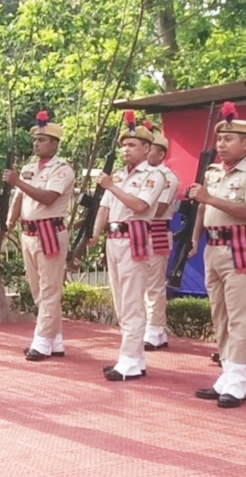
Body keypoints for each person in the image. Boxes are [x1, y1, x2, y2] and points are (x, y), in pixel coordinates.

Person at [188, 101, 246, 408]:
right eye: (219, 139)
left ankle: (238, 382)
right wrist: (194, 240)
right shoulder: (212, 172)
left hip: (240, 248)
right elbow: (202, 209)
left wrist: (209, 198)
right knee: (220, 315)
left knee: (239, 316)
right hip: (213, 247)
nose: (221, 144)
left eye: (228, 139)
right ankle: (227, 374)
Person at [88, 111, 165, 381]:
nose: (126, 149)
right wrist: (94, 236)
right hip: (113, 238)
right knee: (120, 301)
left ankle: (129, 359)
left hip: (135, 237)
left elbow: (140, 205)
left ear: (146, 148)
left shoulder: (153, 176)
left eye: (132, 145)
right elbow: (104, 208)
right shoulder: (119, 175)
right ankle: (135, 358)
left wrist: (111, 186)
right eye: (124, 145)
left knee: (132, 300)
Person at [2, 110, 75, 361]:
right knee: (38, 289)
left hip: (49, 231)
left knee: (49, 289)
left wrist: (18, 182)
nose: (36, 144)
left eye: (42, 140)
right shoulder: (29, 168)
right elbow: (19, 198)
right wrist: (9, 222)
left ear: (54, 144)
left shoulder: (62, 170)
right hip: (29, 232)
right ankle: (55, 339)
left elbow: (48, 197)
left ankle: (41, 341)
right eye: (35, 140)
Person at [142, 121, 180, 351]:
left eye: (150, 149)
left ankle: (154, 329)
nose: (146, 153)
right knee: (140, 283)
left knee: (154, 284)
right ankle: (155, 328)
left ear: (161, 153)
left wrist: (133, 207)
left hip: (156, 230)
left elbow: (160, 207)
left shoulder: (167, 177)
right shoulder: (140, 174)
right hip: (139, 230)